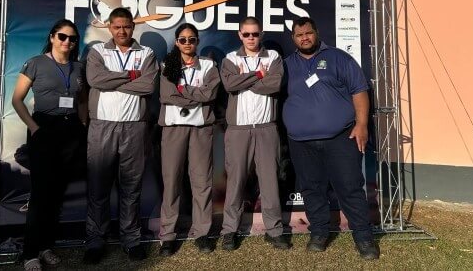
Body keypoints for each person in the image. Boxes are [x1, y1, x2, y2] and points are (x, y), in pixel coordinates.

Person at [282, 17, 380, 260]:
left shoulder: (338, 58)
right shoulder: (285, 65)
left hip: (340, 138)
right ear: (293, 39)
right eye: (299, 35)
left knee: (349, 187)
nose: (304, 38)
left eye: (308, 33)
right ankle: (319, 233)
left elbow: (359, 89)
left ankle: (364, 237)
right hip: (300, 141)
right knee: (312, 188)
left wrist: (362, 124)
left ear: (316, 33)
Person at [83, 7, 159, 264]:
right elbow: (95, 80)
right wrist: (130, 75)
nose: (122, 31)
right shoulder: (98, 51)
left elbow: (147, 85)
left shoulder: (146, 53)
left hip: (135, 127)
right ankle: (96, 240)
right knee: (98, 186)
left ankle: (131, 239)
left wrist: (113, 79)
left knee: (131, 187)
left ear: (133, 27)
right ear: (109, 27)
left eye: (126, 26)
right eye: (117, 26)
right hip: (102, 125)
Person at [12, 19, 87, 271]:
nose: (68, 42)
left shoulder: (79, 68)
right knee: (41, 195)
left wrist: (83, 124)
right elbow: (17, 100)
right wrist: (34, 128)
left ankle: (46, 247)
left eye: (72, 38)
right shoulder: (36, 63)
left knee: (56, 195)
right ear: (53, 37)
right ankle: (30, 253)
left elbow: (83, 101)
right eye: (63, 37)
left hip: (71, 131)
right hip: (45, 129)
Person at [219, 17, 289, 251]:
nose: (251, 38)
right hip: (238, 129)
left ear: (261, 34)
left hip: (266, 128)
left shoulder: (273, 58)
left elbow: (275, 85)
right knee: (236, 182)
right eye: (246, 34)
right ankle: (229, 230)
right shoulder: (230, 58)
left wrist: (244, 80)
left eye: (255, 34)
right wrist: (259, 75)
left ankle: (275, 230)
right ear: (239, 35)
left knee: (269, 182)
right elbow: (230, 86)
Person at [157, 23, 221, 256]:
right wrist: (196, 94)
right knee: (171, 182)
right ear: (176, 42)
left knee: (202, 183)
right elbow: (166, 95)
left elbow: (210, 94)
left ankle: (202, 233)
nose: (187, 43)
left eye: (191, 39)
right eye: (182, 40)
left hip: (201, 128)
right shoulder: (167, 65)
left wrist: (182, 93)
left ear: (197, 42)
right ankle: (168, 236)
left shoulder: (208, 65)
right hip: (174, 128)